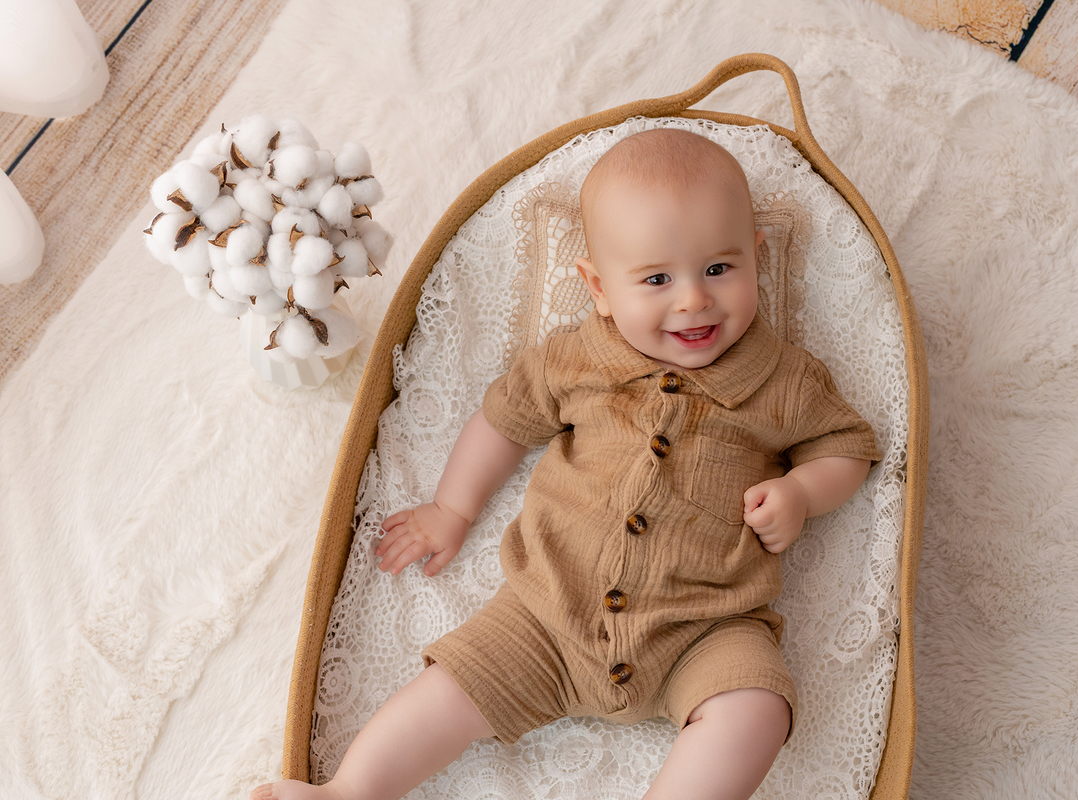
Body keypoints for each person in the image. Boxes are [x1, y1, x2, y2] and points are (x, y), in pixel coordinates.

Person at [253, 127, 879, 800]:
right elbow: (502, 421)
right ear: (599, 288)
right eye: (658, 279)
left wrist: (801, 492)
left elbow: (846, 445)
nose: (693, 299)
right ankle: (350, 792)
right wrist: (452, 508)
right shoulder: (576, 360)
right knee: (452, 687)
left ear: (756, 256)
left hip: (705, 627)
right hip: (548, 613)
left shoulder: (783, 378)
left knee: (757, 708)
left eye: (719, 269)